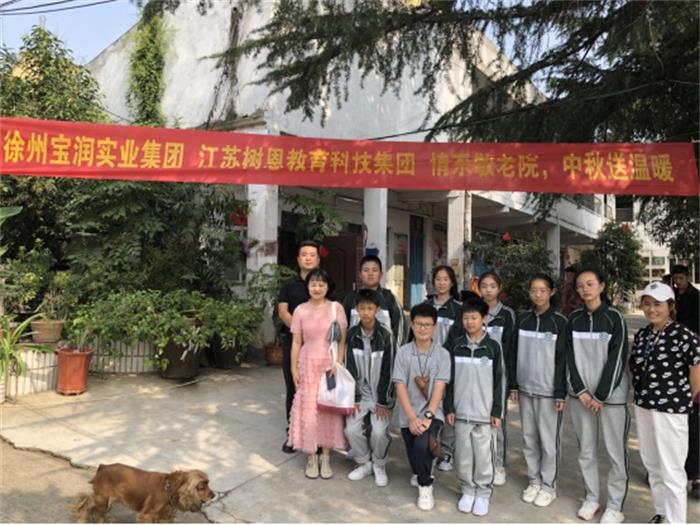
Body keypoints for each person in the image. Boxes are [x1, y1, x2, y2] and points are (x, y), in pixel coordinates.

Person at [630, 282, 700, 523]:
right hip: (644, 405)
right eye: (647, 304)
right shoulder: (643, 334)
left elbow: (697, 368)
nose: (652, 309)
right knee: (653, 464)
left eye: (658, 304)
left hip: (672, 409)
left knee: (672, 469)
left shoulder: (683, 334)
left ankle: (675, 520)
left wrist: (686, 398)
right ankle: (661, 513)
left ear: (670, 306)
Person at [566, 268, 630, 523]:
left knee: (615, 453)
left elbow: (617, 359)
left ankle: (615, 506)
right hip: (581, 398)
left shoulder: (614, 318)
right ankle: (591, 498)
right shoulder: (573, 319)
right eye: (580, 285)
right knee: (586, 450)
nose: (585, 289)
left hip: (611, 399)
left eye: (590, 284)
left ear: (602, 286)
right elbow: (568, 357)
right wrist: (580, 390)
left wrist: (601, 395)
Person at [509, 274, 568, 508]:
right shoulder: (522, 319)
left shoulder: (560, 322)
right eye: (534, 290)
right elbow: (513, 352)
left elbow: (563, 359)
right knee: (529, 438)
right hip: (525, 389)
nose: (538, 294)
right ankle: (534, 480)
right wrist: (514, 384)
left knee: (549, 442)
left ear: (552, 292)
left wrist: (560, 391)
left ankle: (549, 486)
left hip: (549, 392)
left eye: (543, 290)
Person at [444, 297, 505, 517]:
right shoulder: (456, 345)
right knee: (463, 454)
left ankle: (483, 492)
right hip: (461, 412)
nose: (469, 322)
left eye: (474, 318)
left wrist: (497, 410)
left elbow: (500, 381)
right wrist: (449, 407)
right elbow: (448, 380)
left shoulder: (493, 347)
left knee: (484, 455)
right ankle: (467, 490)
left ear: (484, 319)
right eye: (466, 318)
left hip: (484, 414)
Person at [288, 268, 348, 480]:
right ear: (307, 286)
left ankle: (326, 457)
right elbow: (296, 343)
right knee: (309, 409)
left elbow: (342, 340)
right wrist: (293, 369)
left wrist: (338, 363)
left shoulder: (336, 308)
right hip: (306, 364)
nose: (317, 288)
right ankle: (311, 456)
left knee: (327, 409)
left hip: (328, 365)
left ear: (328, 287)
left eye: (321, 284)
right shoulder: (300, 310)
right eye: (313, 284)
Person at [392, 303, 450, 511]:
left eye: (427, 325)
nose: (422, 328)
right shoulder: (403, 352)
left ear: (434, 327)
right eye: (418, 324)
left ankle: (425, 486)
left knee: (421, 445)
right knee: (415, 456)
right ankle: (422, 468)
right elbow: (399, 386)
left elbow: (439, 389)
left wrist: (427, 417)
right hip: (408, 413)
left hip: (433, 412)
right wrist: (411, 417)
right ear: (412, 325)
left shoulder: (443, 354)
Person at [344, 289, 394, 487]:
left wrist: (383, 400)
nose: (365, 312)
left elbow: (389, 370)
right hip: (360, 394)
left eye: (370, 308)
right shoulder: (351, 335)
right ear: (357, 309)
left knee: (379, 432)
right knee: (351, 429)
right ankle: (364, 462)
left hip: (380, 394)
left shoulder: (386, 336)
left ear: (377, 310)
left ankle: (379, 464)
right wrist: (355, 397)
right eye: (362, 308)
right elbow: (349, 368)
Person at [277, 240, 321, 454]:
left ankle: (316, 434)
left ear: (318, 259)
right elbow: (282, 311)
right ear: (298, 259)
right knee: (294, 387)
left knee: (316, 391)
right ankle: (292, 434)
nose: (308, 258)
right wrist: (299, 330)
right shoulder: (288, 286)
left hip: (318, 347)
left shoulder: (323, 283)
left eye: (312, 255)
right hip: (293, 343)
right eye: (304, 254)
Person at [477, 271, 516, 486]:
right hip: (476, 375)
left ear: (499, 288)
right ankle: (481, 462)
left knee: (498, 421)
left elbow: (511, 350)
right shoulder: (474, 311)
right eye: (484, 285)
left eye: (492, 286)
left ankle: (499, 464)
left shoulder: (507, 315)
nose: (488, 290)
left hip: (498, 376)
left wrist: (511, 383)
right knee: (477, 421)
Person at [426, 265, 462, 473]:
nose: (441, 283)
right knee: (428, 404)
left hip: (448, 364)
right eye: (438, 279)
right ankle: (430, 448)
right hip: (425, 365)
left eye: (445, 279)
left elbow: (458, 339)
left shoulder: (458, 309)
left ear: (452, 282)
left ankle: (447, 451)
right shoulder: (425, 305)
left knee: (448, 405)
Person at [671, 264, 700, 500]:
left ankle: (696, 475)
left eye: (681, 278)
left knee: (693, 426)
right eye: (676, 278)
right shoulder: (673, 296)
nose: (678, 281)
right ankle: (671, 470)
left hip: (692, 369)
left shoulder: (695, 298)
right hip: (673, 375)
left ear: (687, 277)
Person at [342, 255, 405, 348]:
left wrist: (396, 352)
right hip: (356, 352)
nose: (370, 273)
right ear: (360, 274)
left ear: (381, 274)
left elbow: (400, 328)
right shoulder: (351, 298)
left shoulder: (389, 298)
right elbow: (343, 327)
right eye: (366, 270)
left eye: (374, 270)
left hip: (384, 352)